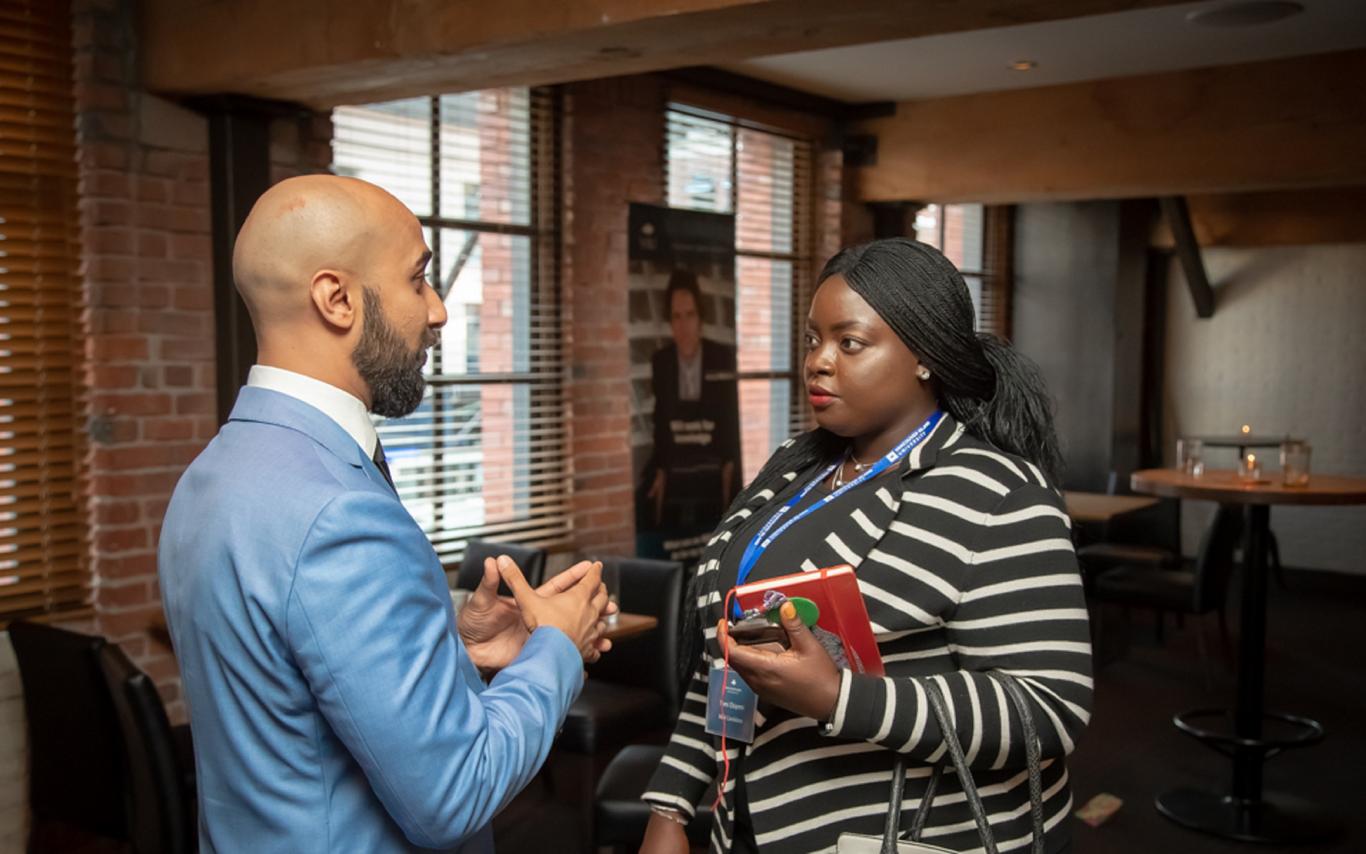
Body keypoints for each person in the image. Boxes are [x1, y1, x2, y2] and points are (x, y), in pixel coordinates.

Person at [158, 175, 613, 853]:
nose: (438, 311)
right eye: (418, 279)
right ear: (336, 299)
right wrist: (555, 649)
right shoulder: (336, 512)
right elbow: (453, 793)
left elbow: (293, 706)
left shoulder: (210, 478)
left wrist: (456, 655)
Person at [641, 238, 1092, 853]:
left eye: (849, 343)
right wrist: (672, 804)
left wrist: (839, 698)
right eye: (811, 339)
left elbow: (1047, 709)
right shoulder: (794, 471)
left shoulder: (996, 493)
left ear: (925, 357)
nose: (818, 363)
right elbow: (729, 655)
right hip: (746, 825)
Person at [645, 269, 742, 535]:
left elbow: (730, 419)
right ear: (669, 322)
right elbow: (661, 419)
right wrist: (661, 468)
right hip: (676, 453)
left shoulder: (722, 357)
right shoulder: (661, 361)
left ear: (700, 318)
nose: (683, 325)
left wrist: (728, 466)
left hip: (714, 451)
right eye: (676, 317)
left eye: (689, 315)